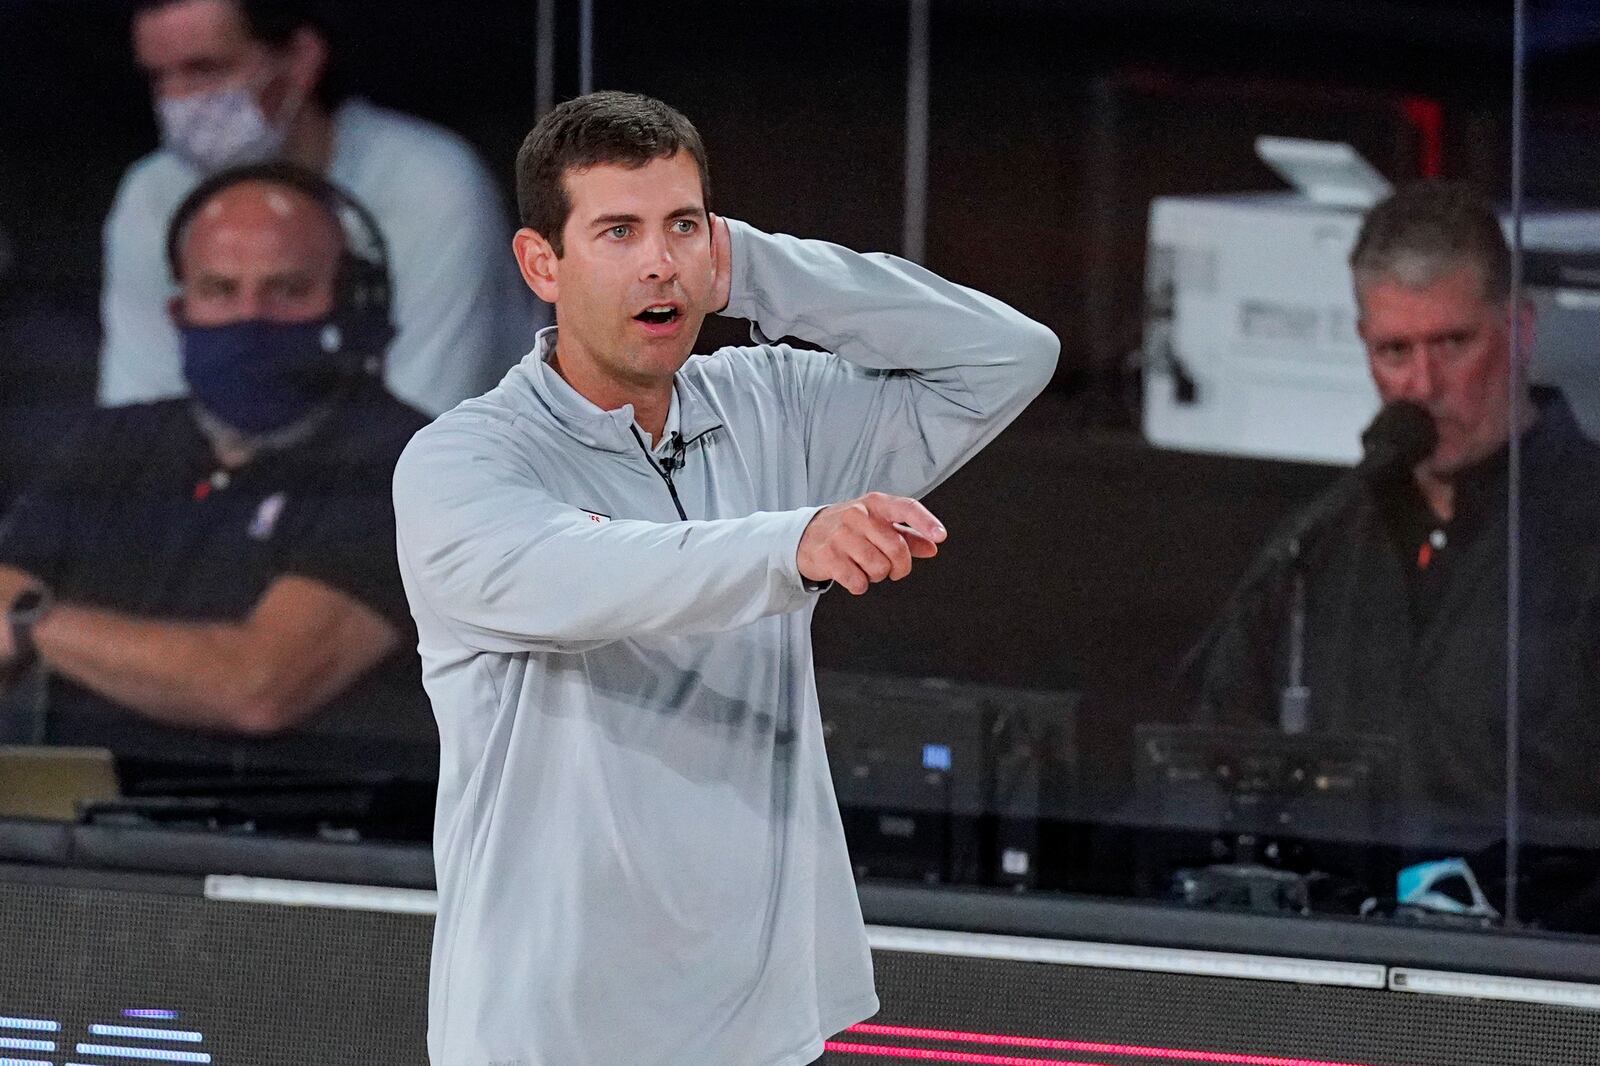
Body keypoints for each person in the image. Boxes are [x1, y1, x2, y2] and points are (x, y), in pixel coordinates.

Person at [392, 92, 1058, 1066]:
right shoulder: (464, 463)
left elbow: (1006, 357)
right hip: (546, 1032)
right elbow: (595, 574)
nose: (659, 262)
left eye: (682, 227)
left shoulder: (770, 405)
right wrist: (792, 543)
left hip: (754, 1030)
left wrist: (750, 267)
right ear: (542, 263)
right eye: (616, 231)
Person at [0, 162, 435, 780]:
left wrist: (33, 622)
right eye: (219, 291)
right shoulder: (115, 443)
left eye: (286, 290)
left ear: (352, 303)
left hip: (297, 854)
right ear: (180, 312)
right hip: (86, 851)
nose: (249, 317)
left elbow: (258, 687)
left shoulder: (411, 461)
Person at [1199, 181, 1600, 824]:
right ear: (1364, 346)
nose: (1423, 385)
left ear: (1519, 329)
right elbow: (1212, 760)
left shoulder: (1584, 536)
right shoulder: (1317, 546)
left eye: (1452, 343)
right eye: (1395, 351)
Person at [101, 0, 541, 417]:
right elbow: (138, 416)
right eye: (160, 79)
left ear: (300, 59)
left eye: (205, 70)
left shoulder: (429, 184)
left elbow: (427, 428)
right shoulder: (152, 194)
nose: (178, 101)